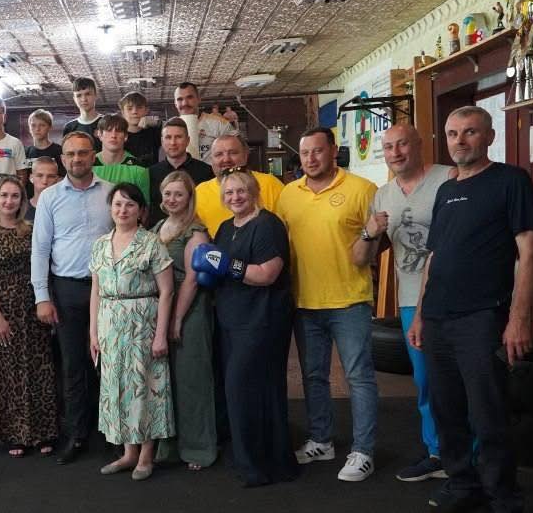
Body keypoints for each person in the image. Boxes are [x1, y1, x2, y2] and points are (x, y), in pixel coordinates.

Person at [407, 106, 533, 513]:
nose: (459, 141)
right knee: (447, 412)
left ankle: (507, 508)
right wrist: (421, 314)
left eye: (469, 133)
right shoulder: (446, 191)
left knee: (488, 415)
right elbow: (434, 257)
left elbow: (529, 251)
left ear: (489, 136)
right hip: (439, 319)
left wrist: (519, 318)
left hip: (482, 317)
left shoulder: (510, 181)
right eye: (452, 134)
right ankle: (463, 485)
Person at [274, 127, 380, 482]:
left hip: (350, 300)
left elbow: (378, 241)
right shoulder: (289, 194)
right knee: (313, 376)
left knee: (358, 377)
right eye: (305, 153)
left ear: (334, 151)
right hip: (304, 301)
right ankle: (321, 440)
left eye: (318, 151)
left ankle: (364, 450)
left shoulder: (362, 189)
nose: (311, 159)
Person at [352, 124, 455, 482]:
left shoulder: (447, 178)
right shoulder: (383, 196)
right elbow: (360, 258)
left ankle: (472, 452)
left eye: (402, 145)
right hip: (412, 299)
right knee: (426, 380)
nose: (395, 153)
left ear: (419, 144)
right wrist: (369, 232)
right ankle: (438, 451)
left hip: (457, 296)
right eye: (388, 147)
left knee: (463, 378)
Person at [191, 170, 299, 488]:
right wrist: (212, 273)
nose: (235, 197)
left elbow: (267, 274)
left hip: (261, 320)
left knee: (246, 389)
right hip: (231, 319)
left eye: (241, 191)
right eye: (229, 193)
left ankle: (260, 465)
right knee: (240, 390)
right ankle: (255, 460)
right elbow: (217, 267)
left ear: (254, 192)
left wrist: (228, 266)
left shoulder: (268, 225)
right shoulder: (226, 227)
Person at [31, 131, 113, 464]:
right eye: (70, 154)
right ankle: (77, 435)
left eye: (82, 153)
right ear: (62, 158)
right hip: (66, 290)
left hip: (108, 291)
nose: (76, 159)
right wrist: (42, 296)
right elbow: (40, 249)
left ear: (94, 155)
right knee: (73, 366)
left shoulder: (111, 193)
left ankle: (114, 434)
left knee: (109, 364)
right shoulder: (49, 198)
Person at [90, 182, 174, 480]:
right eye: (117, 204)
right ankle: (128, 453)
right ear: (110, 208)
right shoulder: (101, 244)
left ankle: (147, 455)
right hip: (109, 324)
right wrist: (93, 333)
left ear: (141, 211)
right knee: (117, 387)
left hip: (142, 323)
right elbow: (96, 290)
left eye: (129, 205)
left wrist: (161, 334)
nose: (122, 210)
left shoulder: (151, 243)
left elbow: (167, 291)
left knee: (145, 386)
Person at [0, 174, 58, 456]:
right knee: (8, 374)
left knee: (38, 369)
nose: (9, 201)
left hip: (33, 309)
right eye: (4, 195)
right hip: (2, 311)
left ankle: (43, 432)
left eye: (15, 196)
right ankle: (14, 435)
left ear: (22, 201)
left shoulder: (32, 230)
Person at [152, 171, 218, 470]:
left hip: (188, 311)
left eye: (178, 194)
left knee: (192, 381)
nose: (172, 199)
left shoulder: (196, 231)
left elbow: (192, 279)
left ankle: (199, 449)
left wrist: (176, 319)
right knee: (166, 383)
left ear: (189, 197)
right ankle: (169, 447)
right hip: (160, 308)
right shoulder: (158, 227)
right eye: (168, 193)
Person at [194, 134, 282, 235]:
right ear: (211, 160)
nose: (226, 159)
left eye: (233, 153)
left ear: (245, 155)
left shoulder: (270, 184)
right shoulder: (200, 192)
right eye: (219, 154)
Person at [148, 118, 214, 226]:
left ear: (187, 140)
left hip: (196, 230)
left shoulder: (206, 172)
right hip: (159, 233)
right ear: (162, 141)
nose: (173, 142)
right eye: (168, 137)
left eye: (178, 137)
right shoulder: (151, 173)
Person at [174, 82, 237, 163]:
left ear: (198, 99)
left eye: (190, 97)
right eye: (180, 99)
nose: (185, 103)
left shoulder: (219, 124)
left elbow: (239, 149)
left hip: (213, 171)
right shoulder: (170, 128)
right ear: (175, 103)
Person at [92, 114, 150, 199]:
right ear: (100, 135)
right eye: (108, 130)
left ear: (125, 136)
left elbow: (144, 205)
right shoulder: (88, 165)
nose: (113, 136)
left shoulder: (139, 168)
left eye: (118, 131)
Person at [121, 91, 161, 164]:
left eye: (139, 107)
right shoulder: (117, 135)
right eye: (129, 108)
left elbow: (177, 129)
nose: (134, 112)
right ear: (123, 112)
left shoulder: (155, 132)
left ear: (146, 110)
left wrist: (157, 122)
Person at [64, 76, 105, 146]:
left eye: (88, 94)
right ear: (74, 99)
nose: (84, 99)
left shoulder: (107, 123)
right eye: (79, 95)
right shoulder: (69, 127)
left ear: (96, 95)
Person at [25, 109, 64, 176]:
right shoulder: (26, 153)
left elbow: (63, 177)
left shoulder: (59, 151)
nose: (37, 129)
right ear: (29, 128)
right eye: (33, 125)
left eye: (42, 125)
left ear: (50, 127)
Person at [26, 155, 61, 221]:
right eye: (40, 176)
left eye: (50, 176)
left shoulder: (63, 208)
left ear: (57, 179)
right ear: (31, 178)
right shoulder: (21, 209)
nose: (45, 181)